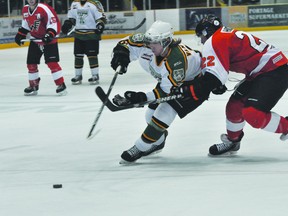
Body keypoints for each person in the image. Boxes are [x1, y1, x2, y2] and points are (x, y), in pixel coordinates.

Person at [177, 15, 288, 156]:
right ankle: (233, 142)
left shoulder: (214, 40)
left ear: (206, 32)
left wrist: (195, 89)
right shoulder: (224, 35)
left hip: (273, 71)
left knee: (253, 115)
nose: (201, 40)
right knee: (234, 107)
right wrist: (215, 82)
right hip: (261, 71)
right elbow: (221, 69)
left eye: (201, 36)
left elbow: (215, 77)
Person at [110, 20, 207, 163]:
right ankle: (158, 142)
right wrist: (121, 55)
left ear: (167, 41)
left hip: (195, 85)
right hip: (171, 82)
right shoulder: (149, 43)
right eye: (149, 40)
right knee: (150, 114)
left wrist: (140, 97)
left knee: (162, 114)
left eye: (154, 42)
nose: (150, 45)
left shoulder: (177, 60)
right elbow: (126, 43)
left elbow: (165, 91)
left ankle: (140, 147)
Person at [14, 0, 67, 96]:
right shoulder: (25, 9)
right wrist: (21, 34)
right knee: (31, 64)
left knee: (52, 63)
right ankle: (33, 85)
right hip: (35, 40)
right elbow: (26, 24)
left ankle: (61, 84)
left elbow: (53, 22)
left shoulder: (44, 8)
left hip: (49, 41)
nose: (31, 0)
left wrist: (50, 33)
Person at [61, 0, 106, 85]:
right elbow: (72, 18)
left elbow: (102, 17)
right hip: (79, 34)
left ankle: (95, 75)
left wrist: (100, 24)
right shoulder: (75, 3)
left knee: (92, 55)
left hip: (92, 34)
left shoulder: (95, 3)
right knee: (78, 55)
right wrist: (68, 23)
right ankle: (78, 75)